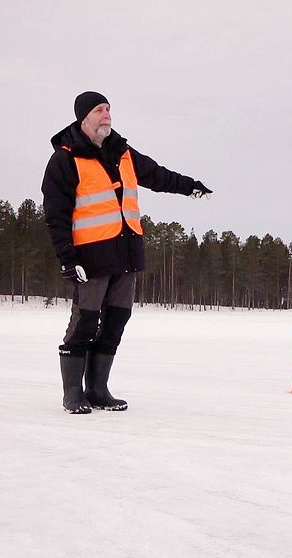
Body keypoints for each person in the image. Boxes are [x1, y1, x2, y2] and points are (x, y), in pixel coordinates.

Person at [41, 91, 211, 414]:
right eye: (99, 110)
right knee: (84, 323)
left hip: (126, 255)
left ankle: (98, 389)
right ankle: (72, 394)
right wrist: (67, 258)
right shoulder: (64, 159)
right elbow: (55, 215)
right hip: (90, 260)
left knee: (117, 320)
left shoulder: (124, 153)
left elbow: (158, 175)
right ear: (84, 118)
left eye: (109, 109)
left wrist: (190, 186)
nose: (107, 114)